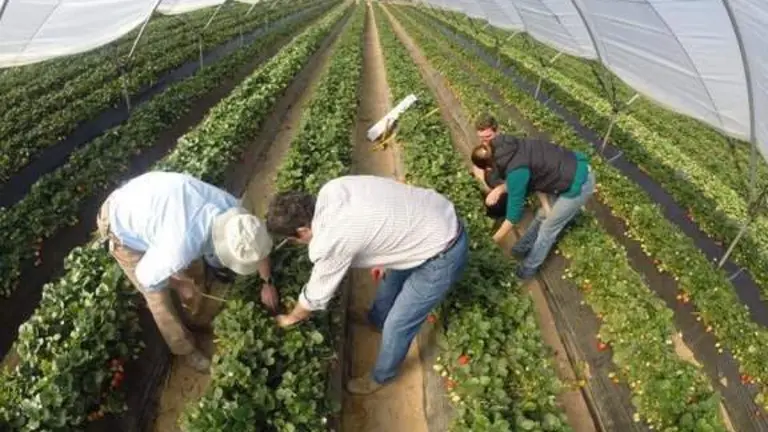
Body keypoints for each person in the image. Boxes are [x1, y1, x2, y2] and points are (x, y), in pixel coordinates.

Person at [265, 175, 468, 395]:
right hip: (430, 216)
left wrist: (291, 318)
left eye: (294, 240)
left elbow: (315, 296)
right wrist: (382, 251)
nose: (298, 244)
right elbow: (377, 206)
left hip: (443, 251)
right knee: (389, 282)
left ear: (303, 231)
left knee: (399, 324)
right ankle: (375, 319)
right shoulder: (332, 190)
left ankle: (382, 376)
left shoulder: (329, 238)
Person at [96, 171, 276, 373]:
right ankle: (184, 349)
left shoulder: (232, 210)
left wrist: (266, 281)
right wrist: (179, 284)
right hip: (118, 222)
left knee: (194, 269)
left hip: (150, 202)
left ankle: (192, 320)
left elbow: (253, 241)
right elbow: (145, 277)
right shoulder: (180, 245)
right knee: (159, 298)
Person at [472, 113, 596, 279]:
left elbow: (512, 218)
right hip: (562, 169)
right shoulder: (506, 144)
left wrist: (491, 242)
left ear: (490, 166)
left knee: (548, 229)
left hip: (579, 181)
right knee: (542, 215)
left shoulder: (515, 171)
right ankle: (520, 249)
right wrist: (545, 205)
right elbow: (537, 175)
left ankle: (526, 270)